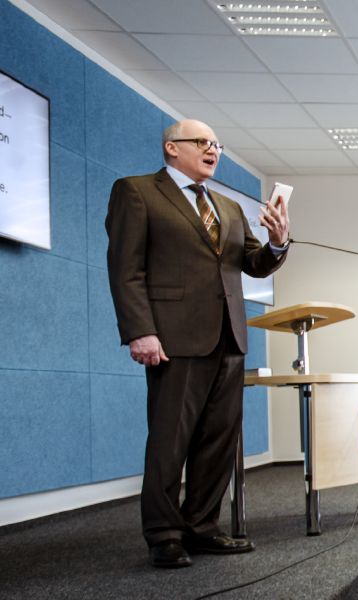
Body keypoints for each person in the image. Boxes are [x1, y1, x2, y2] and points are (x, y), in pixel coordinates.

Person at [106, 119, 290, 568]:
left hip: (228, 337)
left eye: (217, 144)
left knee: (219, 441)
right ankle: (164, 535)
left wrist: (278, 242)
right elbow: (125, 268)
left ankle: (202, 527)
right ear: (172, 147)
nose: (213, 150)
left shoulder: (226, 206)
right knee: (171, 441)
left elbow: (253, 263)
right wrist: (140, 330)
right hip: (173, 337)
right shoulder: (137, 192)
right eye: (202, 142)